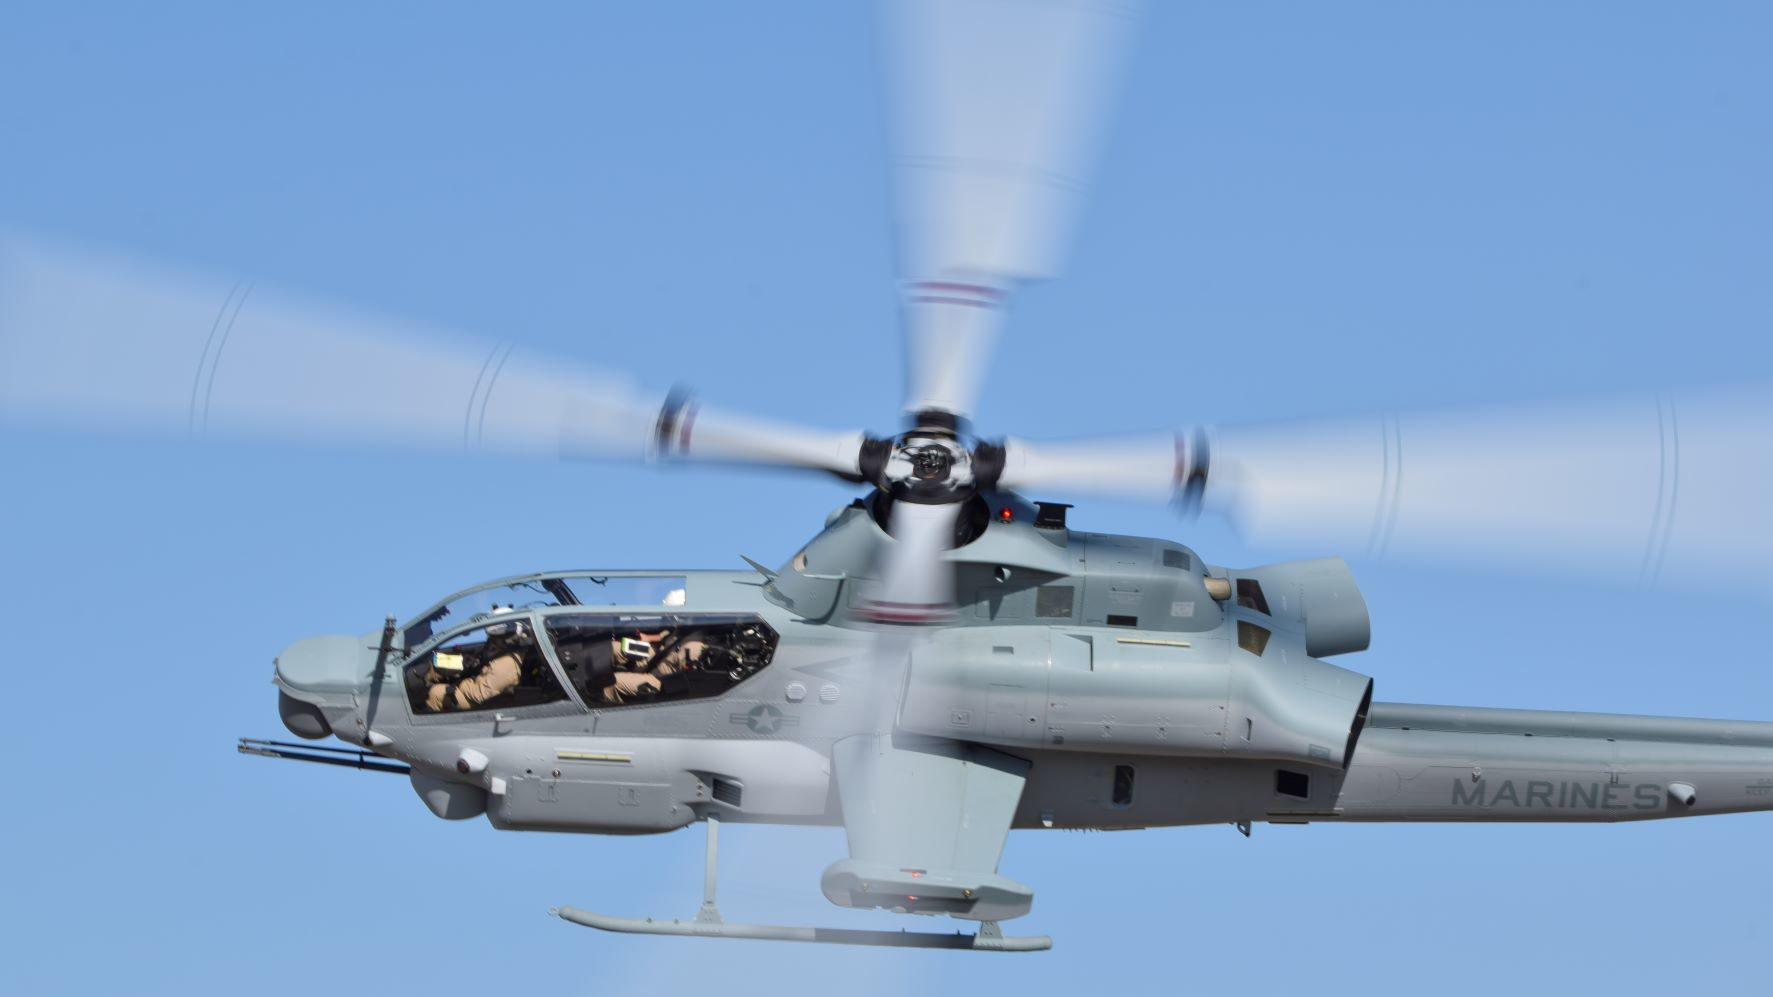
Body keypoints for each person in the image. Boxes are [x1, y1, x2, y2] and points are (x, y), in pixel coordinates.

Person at [423, 613, 528, 712]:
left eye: (495, 639)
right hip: (475, 681)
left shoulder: (506, 666)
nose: (491, 642)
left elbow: (480, 695)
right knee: (440, 661)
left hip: (478, 703)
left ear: (507, 639)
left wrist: (461, 682)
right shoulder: (501, 650)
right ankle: (422, 676)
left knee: (437, 693)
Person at [602, 626, 706, 703]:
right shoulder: (682, 627)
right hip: (654, 655)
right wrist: (645, 637)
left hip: (660, 680)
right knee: (610, 647)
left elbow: (688, 685)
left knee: (610, 682)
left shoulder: (696, 648)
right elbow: (660, 637)